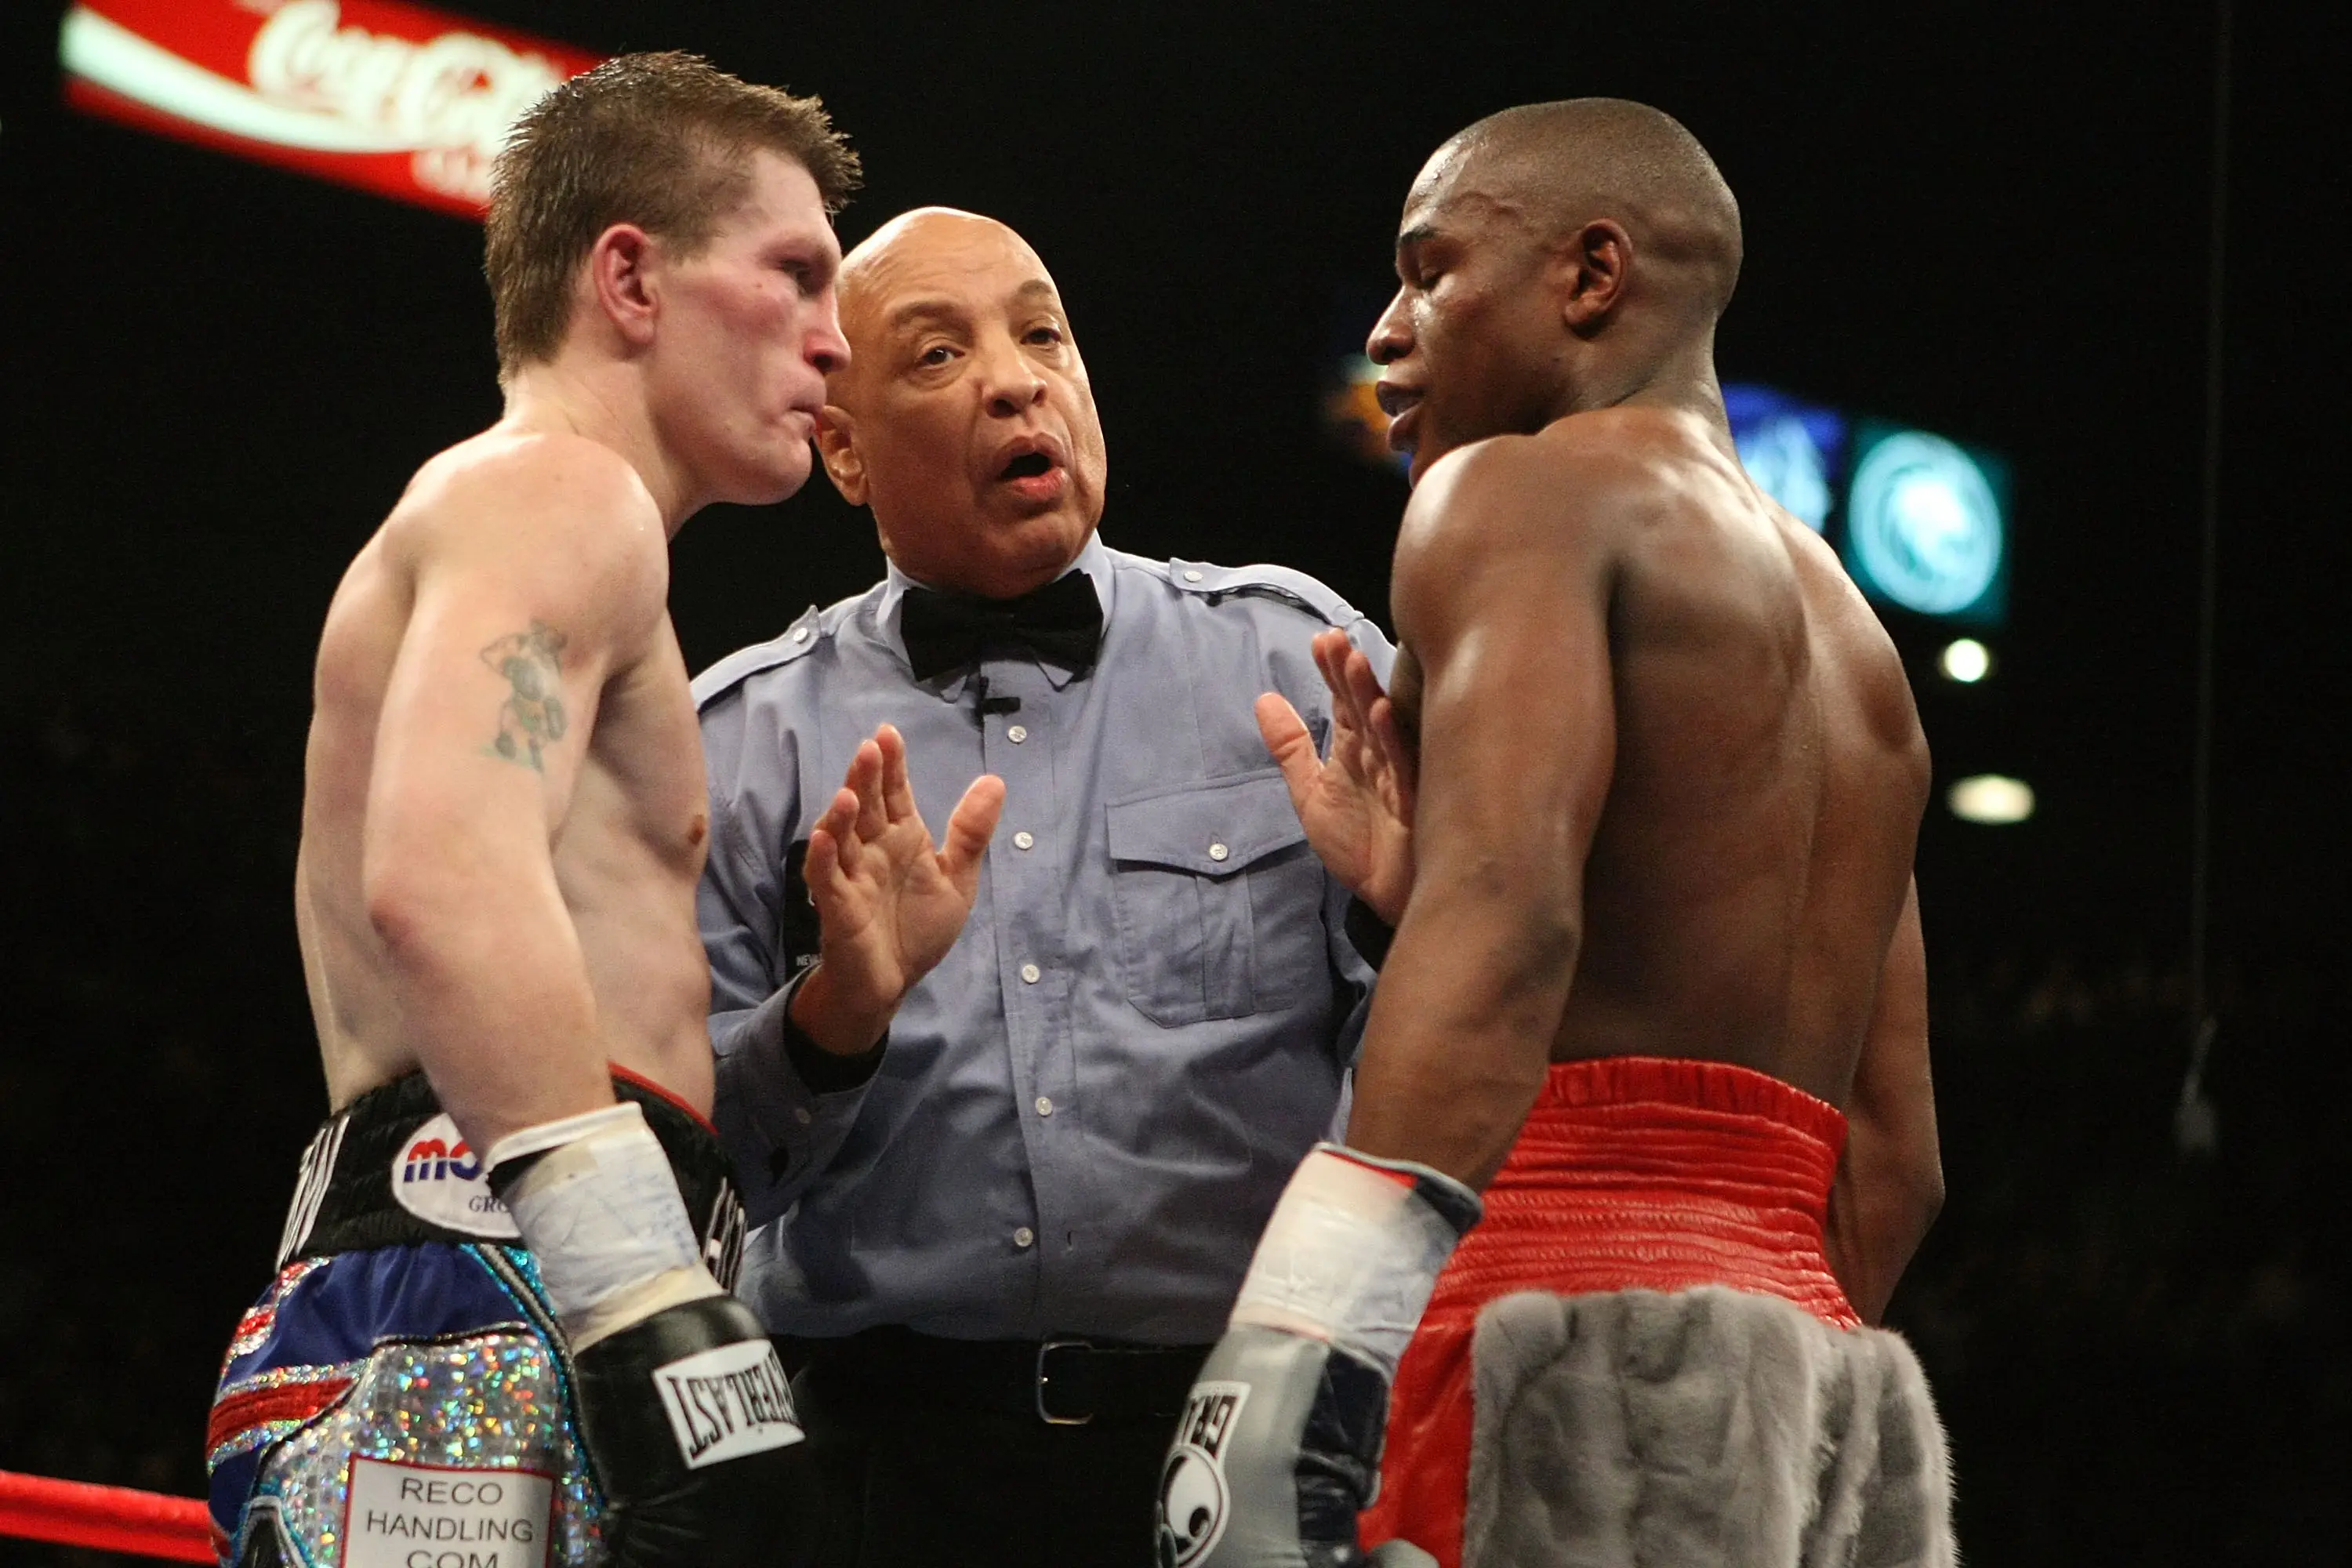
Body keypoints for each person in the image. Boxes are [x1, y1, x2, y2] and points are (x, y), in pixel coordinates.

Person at [1161, 100, 1955, 1568]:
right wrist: (1723, 1407)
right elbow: (1896, 1162)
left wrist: (1299, 1345)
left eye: (1432, 271)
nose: (1388, 332)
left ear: (1591, 277)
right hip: (1821, 1393)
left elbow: (1513, 924)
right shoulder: (1860, 646)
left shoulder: (1514, 494)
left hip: (1541, 1336)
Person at [205, 54, 869, 1568]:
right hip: (496, 1289)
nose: (838, 342)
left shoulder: (545, 515)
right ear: (630, 277)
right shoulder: (562, 495)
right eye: (795, 274)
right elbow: (440, 880)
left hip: (491, 1283)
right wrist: (646, 1303)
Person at [691, 206, 1408, 1566]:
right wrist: (831, 1016)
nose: (1019, 377)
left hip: (1247, 1436)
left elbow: (1452, 1055)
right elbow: (678, 1178)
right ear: (841, 448)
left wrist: (1400, 917)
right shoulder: (741, 742)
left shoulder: (1298, 663)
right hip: (876, 1467)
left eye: (1042, 334)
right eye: (939, 354)